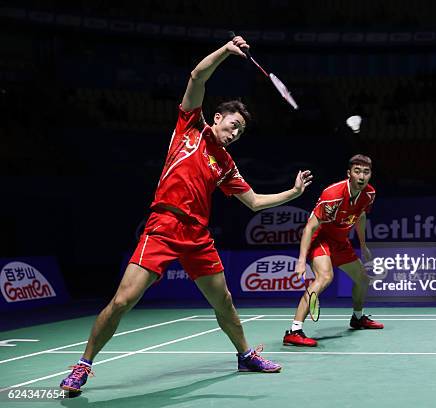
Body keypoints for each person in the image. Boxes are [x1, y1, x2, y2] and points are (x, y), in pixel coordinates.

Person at [60, 35, 313, 393]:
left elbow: (254, 202)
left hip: (197, 236)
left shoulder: (226, 164)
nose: (235, 132)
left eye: (240, 130)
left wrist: (293, 192)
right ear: (217, 117)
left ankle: (244, 355)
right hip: (163, 225)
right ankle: (83, 366)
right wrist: (227, 50)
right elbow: (197, 77)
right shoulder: (189, 128)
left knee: (223, 301)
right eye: (232, 124)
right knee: (122, 300)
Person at [283, 154, 383, 347]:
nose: (361, 176)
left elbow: (360, 217)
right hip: (321, 239)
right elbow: (310, 227)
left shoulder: (369, 194)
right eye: (357, 171)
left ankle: (357, 318)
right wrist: (302, 260)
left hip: (341, 241)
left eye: (366, 172)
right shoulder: (333, 195)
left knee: (362, 279)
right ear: (349, 174)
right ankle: (294, 331)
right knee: (325, 278)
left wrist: (363, 245)